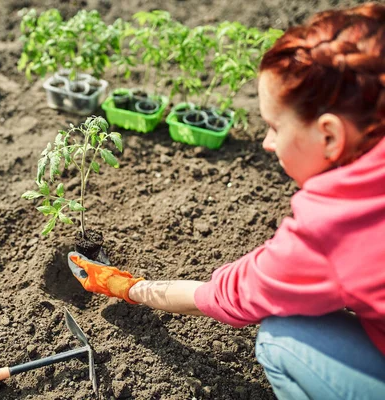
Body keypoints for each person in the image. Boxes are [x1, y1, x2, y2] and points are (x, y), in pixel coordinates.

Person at [67, 3, 385, 399]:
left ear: (330, 136)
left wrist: (127, 287)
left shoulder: (335, 224)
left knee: (282, 338)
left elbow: (222, 297)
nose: (267, 144)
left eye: (273, 127)